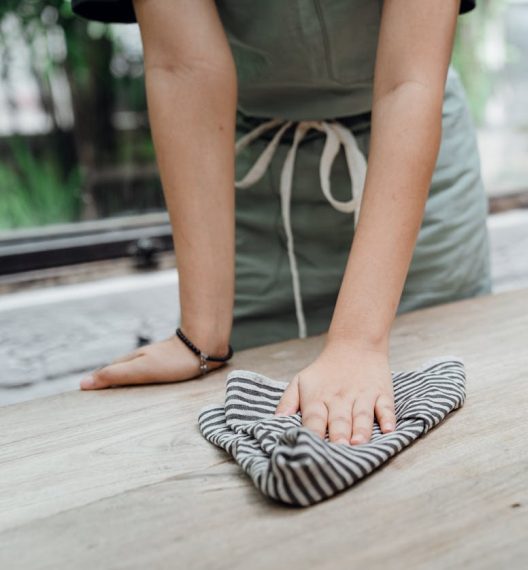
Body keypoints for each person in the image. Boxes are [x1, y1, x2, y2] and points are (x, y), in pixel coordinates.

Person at [72, 0, 492, 447]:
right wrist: (202, 337)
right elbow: (185, 68)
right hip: (249, 193)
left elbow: (407, 84)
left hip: (412, 191)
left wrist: (358, 343)